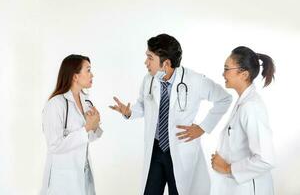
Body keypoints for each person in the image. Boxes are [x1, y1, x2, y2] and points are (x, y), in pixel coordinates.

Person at [110, 34, 232, 195]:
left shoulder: (194, 80)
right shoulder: (149, 80)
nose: (146, 62)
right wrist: (129, 112)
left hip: (181, 150)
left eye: (150, 58)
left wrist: (203, 127)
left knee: (179, 191)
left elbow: (224, 98)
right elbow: (143, 105)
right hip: (156, 150)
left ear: (166, 63)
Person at [211, 46, 276, 195]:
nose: (223, 73)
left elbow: (266, 159)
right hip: (236, 187)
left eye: (227, 69)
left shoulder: (251, 107)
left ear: (244, 74)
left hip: (249, 188)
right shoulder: (243, 102)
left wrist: (227, 168)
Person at [40, 54, 103, 195]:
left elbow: (88, 138)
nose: (92, 74)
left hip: (84, 173)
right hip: (63, 179)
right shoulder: (55, 104)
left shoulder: (86, 102)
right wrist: (87, 127)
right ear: (75, 76)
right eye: (88, 70)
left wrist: (95, 125)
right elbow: (54, 145)